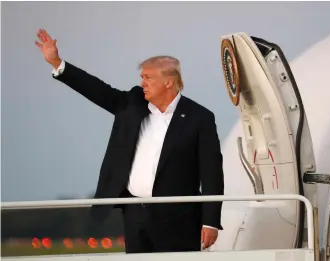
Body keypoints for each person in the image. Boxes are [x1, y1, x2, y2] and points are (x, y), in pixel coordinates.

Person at [35, 29, 224, 253]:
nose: (142, 83)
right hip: (135, 214)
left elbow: (211, 173)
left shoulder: (199, 117)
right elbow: (97, 90)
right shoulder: (132, 104)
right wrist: (57, 62)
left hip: (179, 219)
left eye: (148, 77)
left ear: (169, 82)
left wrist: (210, 221)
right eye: (142, 77)